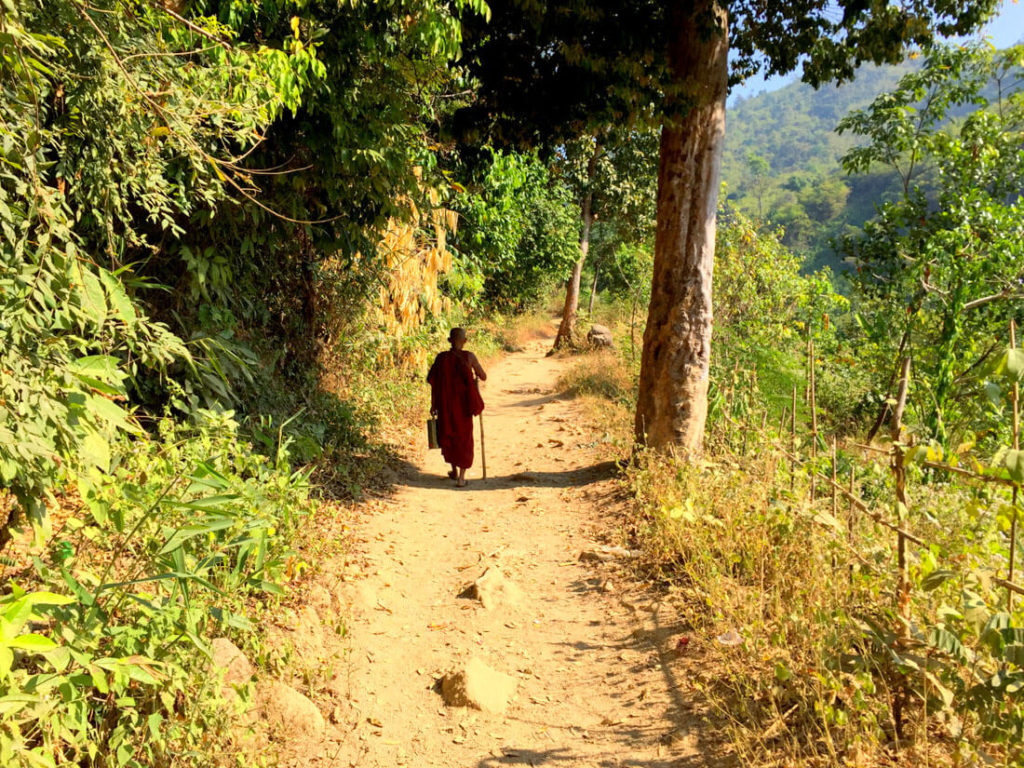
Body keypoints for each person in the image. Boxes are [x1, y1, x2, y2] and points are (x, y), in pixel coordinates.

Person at [427, 327, 486, 487]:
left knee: (449, 436)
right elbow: (483, 376)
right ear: (464, 341)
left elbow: (434, 383)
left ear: (450, 341)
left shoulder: (441, 358)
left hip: (446, 405)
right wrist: (474, 376)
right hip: (463, 406)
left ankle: (454, 470)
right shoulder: (469, 357)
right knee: (463, 439)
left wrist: (433, 404)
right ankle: (460, 477)